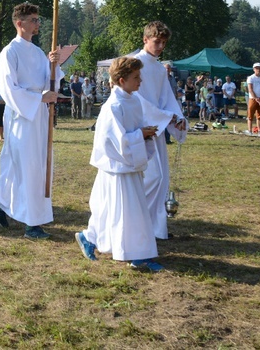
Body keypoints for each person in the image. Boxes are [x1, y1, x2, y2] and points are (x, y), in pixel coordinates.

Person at [74, 57, 162, 272]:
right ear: (122, 80)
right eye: (135, 77)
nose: (140, 81)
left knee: (115, 210)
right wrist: (140, 135)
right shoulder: (113, 105)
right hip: (117, 166)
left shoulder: (134, 100)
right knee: (128, 212)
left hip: (129, 165)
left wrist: (146, 133)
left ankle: (90, 237)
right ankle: (137, 255)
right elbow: (114, 141)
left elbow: (133, 129)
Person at [0, 2, 61, 240]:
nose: (38, 24)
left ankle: (2, 204)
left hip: (39, 115)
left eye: (38, 20)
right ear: (19, 23)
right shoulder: (10, 52)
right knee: (27, 167)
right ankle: (32, 224)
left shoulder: (39, 53)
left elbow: (49, 81)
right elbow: (7, 88)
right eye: (33, 19)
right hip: (22, 115)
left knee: (35, 166)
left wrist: (54, 65)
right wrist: (38, 98)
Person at [133, 21, 187, 241]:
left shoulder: (158, 67)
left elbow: (167, 98)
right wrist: (165, 117)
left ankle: (155, 228)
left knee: (162, 178)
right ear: (145, 39)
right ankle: (137, 224)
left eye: (164, 43)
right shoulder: (134, 63)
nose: (160, 46)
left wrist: (178, 118)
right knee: (152, 177)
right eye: (157, 41)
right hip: (141, 128)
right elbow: (135, 98)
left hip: (157, 126)